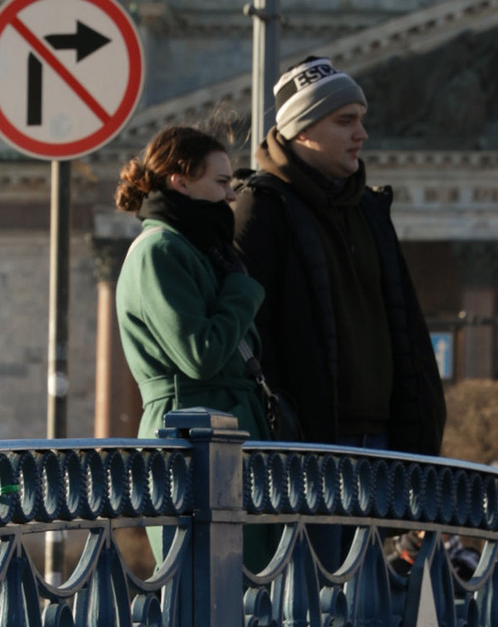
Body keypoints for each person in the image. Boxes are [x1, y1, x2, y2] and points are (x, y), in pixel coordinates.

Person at [232, 57, 446, 454]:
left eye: (361, 119)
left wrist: (424, 429)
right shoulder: (261, 208)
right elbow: (249, 335)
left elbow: (407, 327)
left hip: (385, 443)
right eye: (345, 121)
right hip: (309, 443)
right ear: (304, 128)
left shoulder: (369, 209)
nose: (362, 134)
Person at [112, 128, 281, 439]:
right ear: (181, 181)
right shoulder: (159, 251)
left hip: (221, 432)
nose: (232, 195)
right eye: (221, 182)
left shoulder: (199, 251)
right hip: (190, 441)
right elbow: (200, 356)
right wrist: (241, 290)